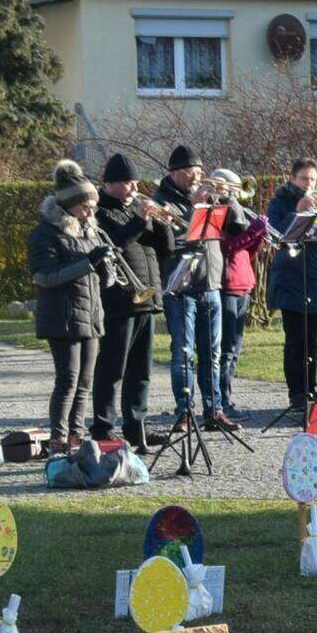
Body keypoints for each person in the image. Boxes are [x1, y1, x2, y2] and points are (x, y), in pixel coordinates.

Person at [156, 144, 252, 432]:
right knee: (183, 352)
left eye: (200, 171)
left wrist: (229, 198)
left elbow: (239, 226)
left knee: (212, 352)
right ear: (176, 173)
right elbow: (172, 239)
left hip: (211, 283)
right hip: (182, 287)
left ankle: (215, 411)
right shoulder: (163, 201)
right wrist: (195, 207)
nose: (198, 176)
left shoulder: (210, 197)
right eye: (191, 172)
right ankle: (185, 412)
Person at [90, 152, 173, 447]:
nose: (134, 189)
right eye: (127, 183)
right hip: (119, 300)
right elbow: (118, 244)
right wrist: (140, 219)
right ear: (109, 184)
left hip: (147, 297)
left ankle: (136, 426)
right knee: (113, 368)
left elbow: (165, 250)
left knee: (141, 371)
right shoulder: (100, 212)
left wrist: (161, 223)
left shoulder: (135, 209)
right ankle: (103, 428)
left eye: (136, 183)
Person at [28, 160, 108, 453]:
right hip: (62, 317)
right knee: (68, 381)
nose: (91, 212)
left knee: (86, 382)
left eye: (92, 207)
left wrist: (106, 268)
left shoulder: (89, 230)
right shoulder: (45, 233)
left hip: (89, 314)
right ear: (68, 205)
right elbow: (45, 276)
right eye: (86, 206)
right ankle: (58, 439)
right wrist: (88, 263)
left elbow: (99, 280)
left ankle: (77, 434)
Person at [265, 156, 317, 414]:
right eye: (303, 179)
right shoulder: (280, 203)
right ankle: (296, 395)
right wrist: (298, 210)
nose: (308, 184)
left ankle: (311, 390)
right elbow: (277, 234)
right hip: (290, 278)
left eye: (313, 179)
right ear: (292, 179)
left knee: (313, 340)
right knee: (295, 339)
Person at [212, 167, 268, 421]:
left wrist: (258, 236)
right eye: (228, 188)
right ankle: (221, 401)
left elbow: (246, 252)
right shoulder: (217, 214)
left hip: (243, 284)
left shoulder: (237, 212)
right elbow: (226, 248)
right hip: (226, 286)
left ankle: (227, 398)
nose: (233, 194)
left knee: (235, 348)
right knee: (225, 349)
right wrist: (252, 233)